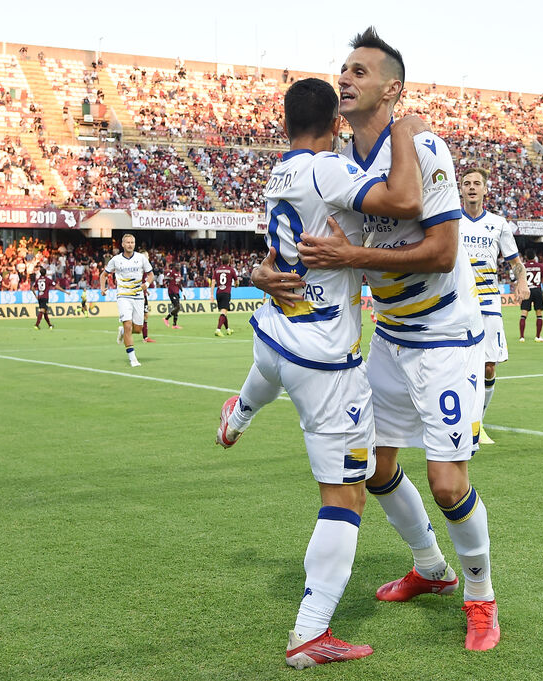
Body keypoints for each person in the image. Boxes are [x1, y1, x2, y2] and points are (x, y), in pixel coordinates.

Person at [265, 27, 499, 651]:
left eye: (360, 71)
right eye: (343, 69)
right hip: (391, 336)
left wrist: (351, 254)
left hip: (446, 334)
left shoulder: (423, 148)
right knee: (375, 468)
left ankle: (482, 597)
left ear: (392, 89)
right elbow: (295, 243)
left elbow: (445, 251)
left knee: (449, 483)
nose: (345, 78)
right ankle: (432, 569)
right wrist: (263, 272)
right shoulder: (338, 167)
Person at [217, 77, 426, 669]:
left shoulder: (279, 173)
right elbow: (405, 200)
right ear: (336, 124)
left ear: (283, 126)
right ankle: (310, 633)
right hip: (323, 358)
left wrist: (260, 274)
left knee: (264, 374)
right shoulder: (325, 170)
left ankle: (242, 411)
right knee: (346, 495)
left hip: (276, 332)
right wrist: (406, 132)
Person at [458, 166, 528, 446]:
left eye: (477, 183)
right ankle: (458, 420)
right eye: (467, 183)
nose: (472, 187)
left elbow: (515, 263)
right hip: (458, 303)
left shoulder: (499, 224)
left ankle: (479, 423)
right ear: (460, 189)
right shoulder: (451, 221)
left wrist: (521, 280)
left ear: (486, 189)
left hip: (488, 302)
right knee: (458, 366)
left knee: (488, 367)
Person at [101, 233, 153, 367]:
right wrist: (103, 288)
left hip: (138, 296)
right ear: (123, 244)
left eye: (132, 242)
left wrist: (146, 285)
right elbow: (104, 274)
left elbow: (151, 275)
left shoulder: (141, 258)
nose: (130, 244)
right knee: (128, 324)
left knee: (138, 329)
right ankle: (133, 358)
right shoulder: (116, 260)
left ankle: (123, 331)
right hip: (123, 296)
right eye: (128, 242)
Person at [519, 249, 543, 343]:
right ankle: (538, 337)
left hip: (527, 291)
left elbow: (521, 280)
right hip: (537, 290)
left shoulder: (523, 267)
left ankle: (522, 337)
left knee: (524, 314)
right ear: (535, 256)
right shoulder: (540, 266)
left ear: (526, 257)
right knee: (539, 314)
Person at [211, 254, 237, 336]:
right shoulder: (231, 270)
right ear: (229, 261)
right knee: (223, 312)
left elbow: (213, 282)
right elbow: (236, 282)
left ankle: (228, 329)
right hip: (226, 293)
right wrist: (236, 285)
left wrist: (211, 294)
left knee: (224, 312)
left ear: (221, 261)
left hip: (218, 293)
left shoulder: (217, 270)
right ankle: (218, 329)